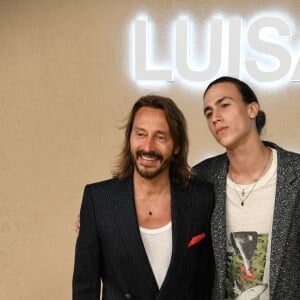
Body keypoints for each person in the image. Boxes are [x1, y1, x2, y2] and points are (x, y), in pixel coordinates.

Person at [72, 95, 215, 299]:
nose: (148, 147)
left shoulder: (202, 198)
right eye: (140, 134)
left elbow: (206, 283)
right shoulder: (98, 200)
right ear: (129, 139)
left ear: (177, 146)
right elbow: (85, 289)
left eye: (160, 137)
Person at [193, 76, 300, 299]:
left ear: (252, 110)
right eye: (209, 112)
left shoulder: (295, 173)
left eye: (224, 105)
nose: (216, 118)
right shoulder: (202, 178)